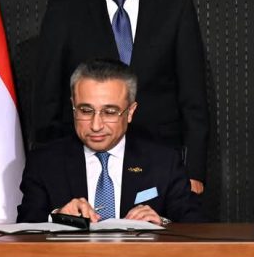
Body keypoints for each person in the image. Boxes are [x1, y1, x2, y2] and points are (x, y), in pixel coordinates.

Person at [32, 0, 210, 195]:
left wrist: (194, 172)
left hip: (160, 162)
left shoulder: (175, 7)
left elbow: (193, 99)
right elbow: (47, 99)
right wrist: (49, 170)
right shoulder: (64, 8)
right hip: (85, 163)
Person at [18, 58, 202, 224]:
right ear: (73, 106)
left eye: (110, 112)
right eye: (85, 111)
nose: (96, 125)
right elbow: (26, 224)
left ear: (130, 112)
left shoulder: (163, 162)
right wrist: (57, 217)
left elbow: (195, 224)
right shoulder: (45, 163)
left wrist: (162, 222)